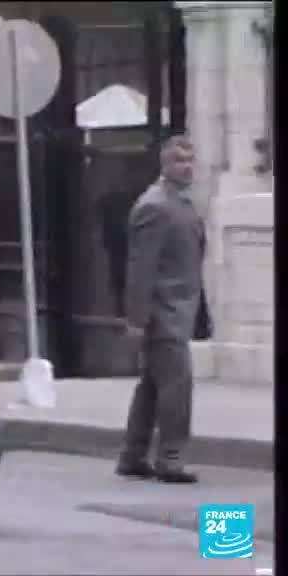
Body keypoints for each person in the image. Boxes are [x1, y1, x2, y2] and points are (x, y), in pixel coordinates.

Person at [118, 134, 211, 484]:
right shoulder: (154, 206)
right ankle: (170, 458)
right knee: (176, 386)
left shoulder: (182, 202)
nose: (186, 167)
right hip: (162, 313)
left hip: (179, 309)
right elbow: (141, 268)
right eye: (178, 160)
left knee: (153, 386)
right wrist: (137, 319)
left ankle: (133, 454)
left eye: (189, 160)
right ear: (164, 164)